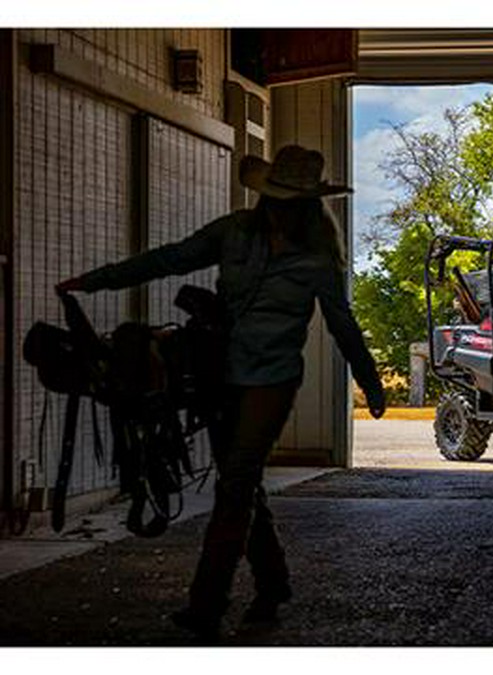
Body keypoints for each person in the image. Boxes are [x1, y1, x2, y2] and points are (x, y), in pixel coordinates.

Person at [57, 145, 386, 639]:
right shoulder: (233, 232)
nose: (277, 207)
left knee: (234, 484)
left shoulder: (318, 263)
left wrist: (370, 381)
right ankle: (273, 584)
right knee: (243, 482)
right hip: (220, 374)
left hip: (272, 381)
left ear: (307, 205)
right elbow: (170, 259)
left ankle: (206, 604)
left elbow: (343, 324)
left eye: (288, 200)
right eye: (273, 198)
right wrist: (96, 282)